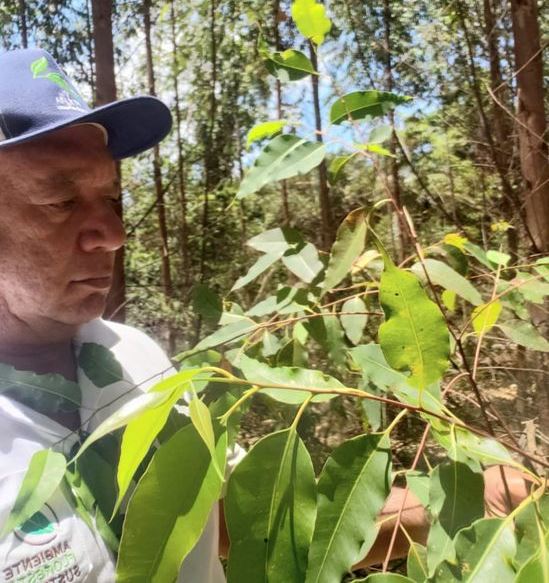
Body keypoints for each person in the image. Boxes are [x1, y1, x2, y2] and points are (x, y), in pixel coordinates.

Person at [0, 48, 533, 582]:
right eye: (60, 202)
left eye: (113, 200)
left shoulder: (136, 359)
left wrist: (453, 508)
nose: (113, 236)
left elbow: (233, 520)